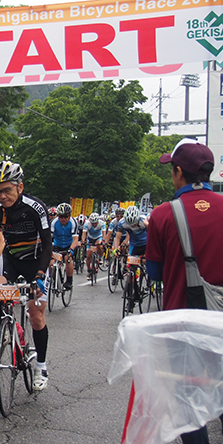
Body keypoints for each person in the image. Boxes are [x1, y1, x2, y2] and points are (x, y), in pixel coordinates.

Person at [146, 138, 223, 444]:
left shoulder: (163, 215)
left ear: (178, 172)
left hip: (182, 323)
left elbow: (154, 273)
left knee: (188, 404)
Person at [0, 161, 52, 391]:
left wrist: (40, 274)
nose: (2, 195)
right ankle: (12, 328)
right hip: (10, 262)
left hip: (35, 262)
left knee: (36, 314)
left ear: (19, 187)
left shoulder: (35, 208)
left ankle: (41, 365)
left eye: (7, 190)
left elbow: (48, 244)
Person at [50, 203, 78, 290]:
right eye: (61, 217)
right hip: (57, 245)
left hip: (69, 245)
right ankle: (54, 278)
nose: (63, 219)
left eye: (66, 217)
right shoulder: (53, 223)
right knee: (50, 263)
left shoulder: (73, 223)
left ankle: (69, 281)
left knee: (67, 259)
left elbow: (75, 240)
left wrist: (71, 249)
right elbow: (49, 238)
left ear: (69, 216)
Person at [80, 212, 105, 278]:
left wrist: (103, 241)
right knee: (88, 256)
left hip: (98, 237)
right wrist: (83, 241)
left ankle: (100, 257)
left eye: (95, 223)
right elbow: (84, 233)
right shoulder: (87, 224)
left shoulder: (102, 223)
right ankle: (89, 270)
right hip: (90, 238)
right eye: (92, 223)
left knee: (99, 245)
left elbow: (104, 233)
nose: (94, 224)